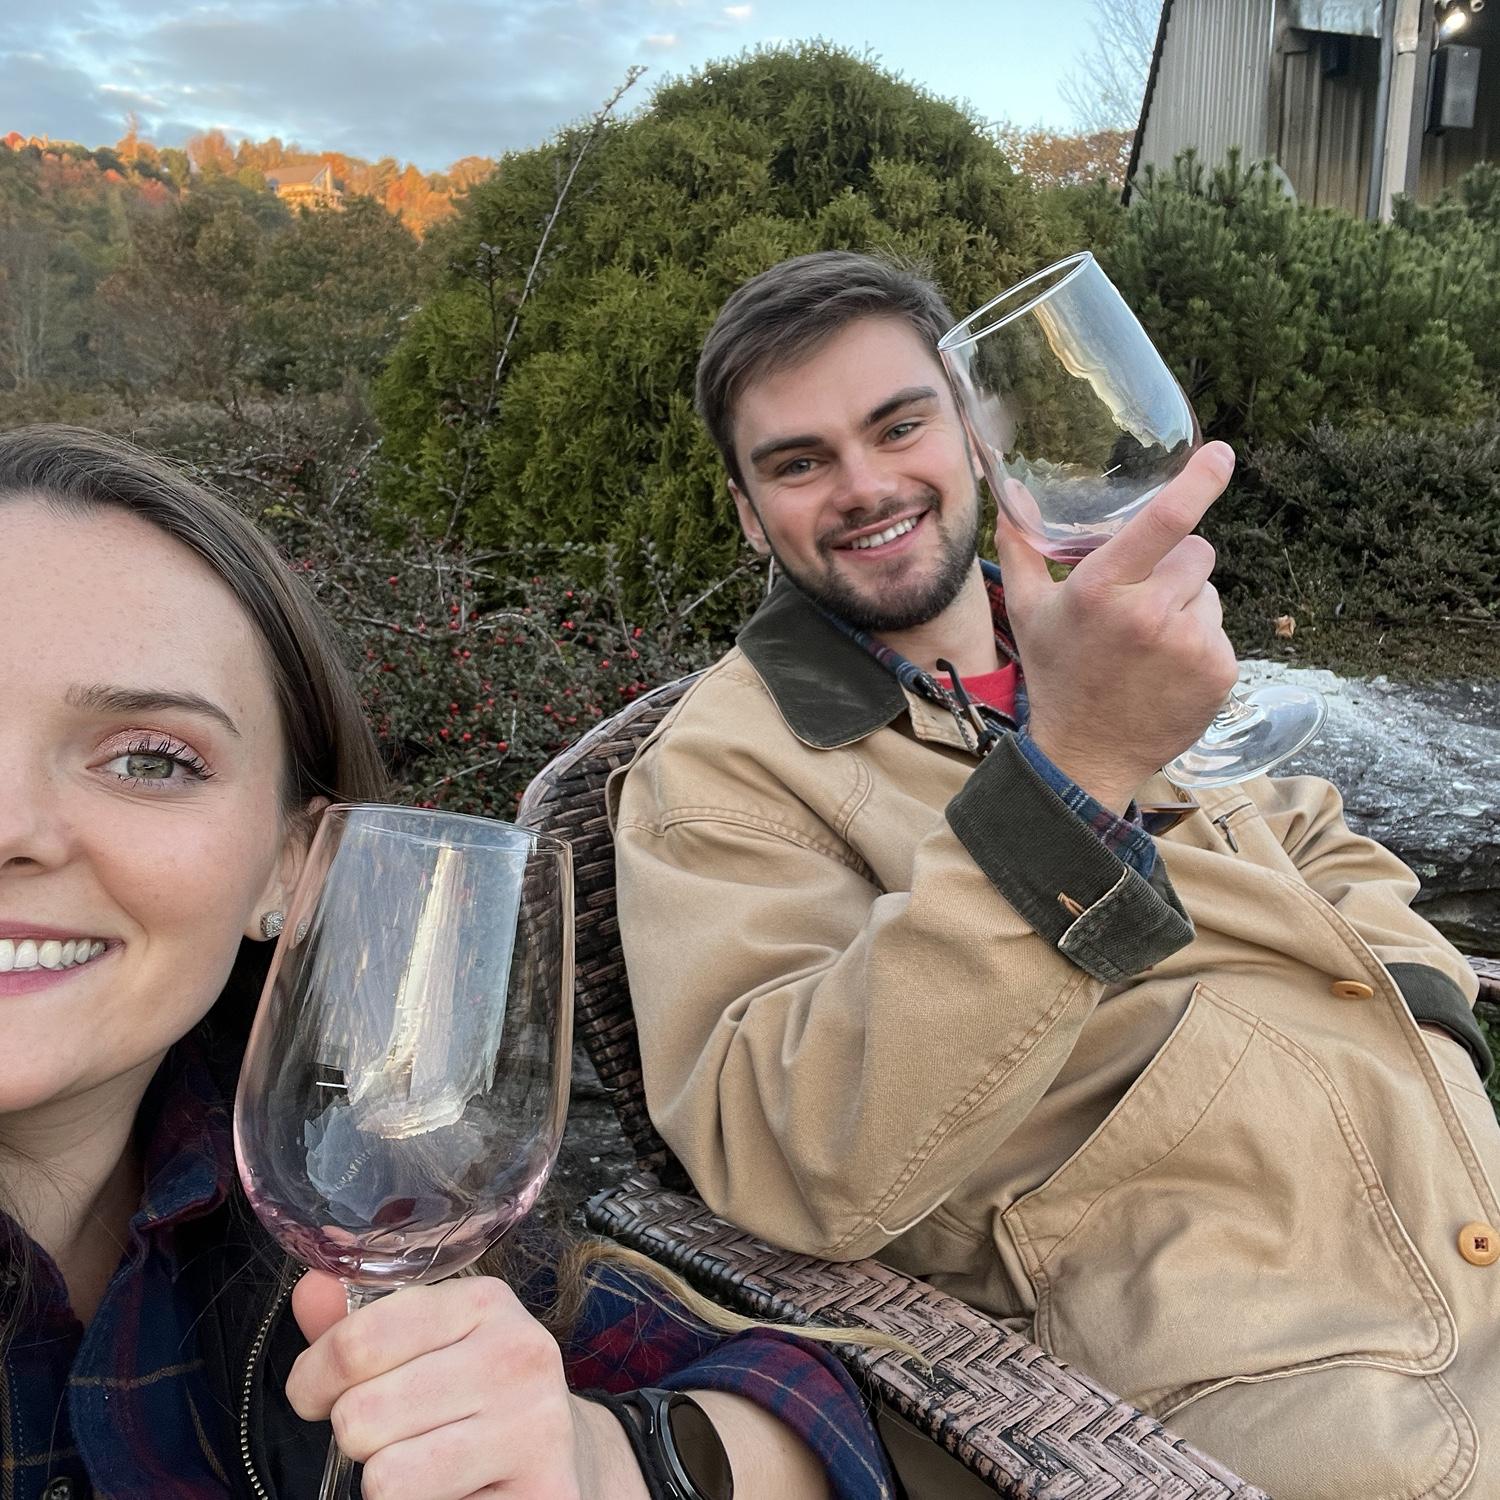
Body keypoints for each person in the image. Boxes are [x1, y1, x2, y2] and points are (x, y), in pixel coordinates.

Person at [612, 251, 1500, 1498]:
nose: (865, 486)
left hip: (1435, 1184)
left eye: (900, 426)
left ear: (977, 434)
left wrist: (1432, 1025)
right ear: (750, 513)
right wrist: (1073, 770)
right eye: (799, 463)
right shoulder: (723, 770)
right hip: (1255, 1362)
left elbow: (1299, 824)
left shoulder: (1078, 636)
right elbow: (790, 1153)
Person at [0, 424, 898, 1500]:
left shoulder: (329, 1178)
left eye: (150, 759)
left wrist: (608, 1459)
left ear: (295, 867)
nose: (11, 827)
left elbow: (812, 1405)